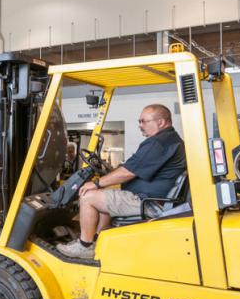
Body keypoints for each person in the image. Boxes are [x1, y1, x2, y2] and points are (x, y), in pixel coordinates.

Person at [57, 104, 185, 260]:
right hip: (151, 198)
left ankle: (85, 245)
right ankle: (98, 239)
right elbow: (132, 167)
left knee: (88, 196)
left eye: (144, 121)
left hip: (148, 202)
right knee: (104, 195)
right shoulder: (169, 140)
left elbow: (127, 172)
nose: (140, 125)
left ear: (161, 122)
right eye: (139, 121)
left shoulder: (158, 143)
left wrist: (96, 183)